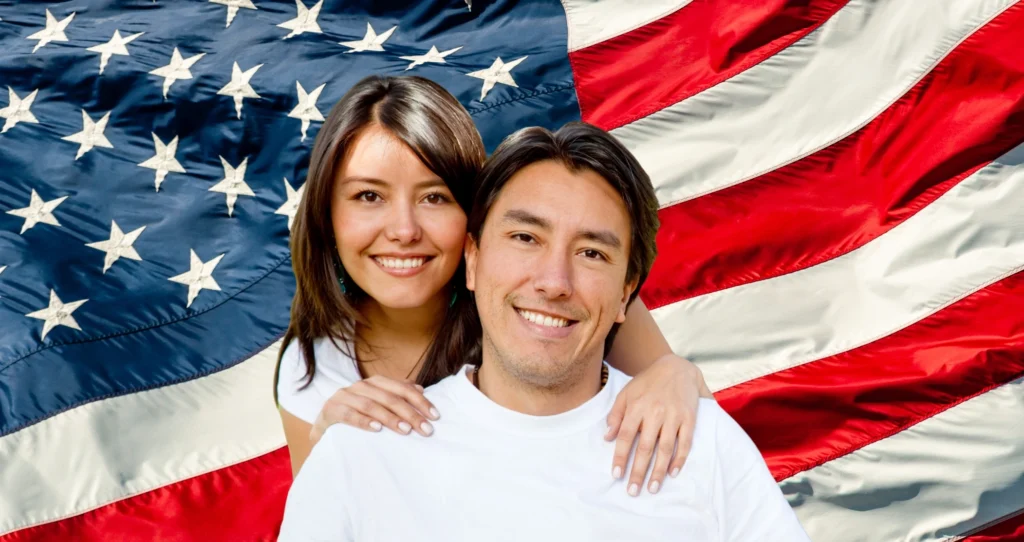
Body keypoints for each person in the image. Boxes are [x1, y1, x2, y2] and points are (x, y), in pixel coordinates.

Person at [278, 122, 810, 541]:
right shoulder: (359, 453)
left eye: (591, 253)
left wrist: (678, 373)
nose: (555, 282)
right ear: (473, 259)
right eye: (525, 237)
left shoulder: (701, 443)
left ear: (626, 293)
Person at [275, 75, 712, 496]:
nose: (404, 230)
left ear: (476, 220)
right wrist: (328, 447)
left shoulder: (555, 303)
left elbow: (701, 436)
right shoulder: (313, 364)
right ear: (326, 214)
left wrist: (678, 375)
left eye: (435, 197)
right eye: (369, 196)